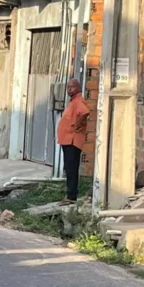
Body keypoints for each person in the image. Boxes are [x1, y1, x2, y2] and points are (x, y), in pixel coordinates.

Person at [57, 78, 89, 206]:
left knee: (71, 169)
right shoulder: (73, 101)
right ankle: (70, 194)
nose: (69, 89)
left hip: (72, 141)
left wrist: (77, 125)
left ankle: (71, 196)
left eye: (72, 87)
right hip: (67, 140)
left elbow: (85, 112)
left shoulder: (78, 101)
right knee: (69, 168)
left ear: (78, 88)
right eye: (68, 87)